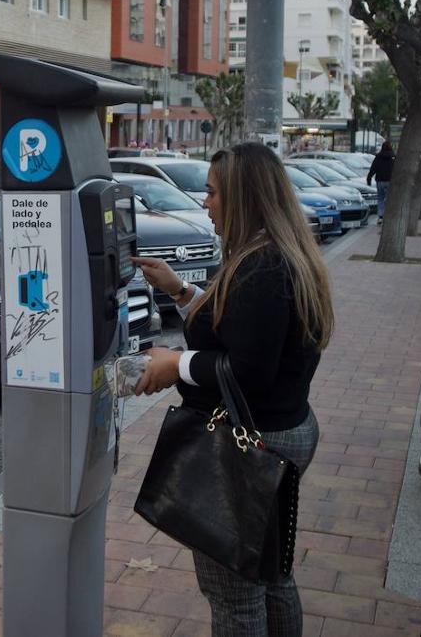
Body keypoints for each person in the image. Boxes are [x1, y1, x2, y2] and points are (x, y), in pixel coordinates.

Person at [131, 142, 334, 637]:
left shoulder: (262, 267)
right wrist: (181, 290)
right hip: (282, 428)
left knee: (236, 596)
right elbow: (241, 329)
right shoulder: (274, 255)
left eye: (213, 192)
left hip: (254, 441)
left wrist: (174, 364)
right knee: (271, 575)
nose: (206, 203)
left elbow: (247, 369)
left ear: (243, 198)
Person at [366, 141, 394, 224]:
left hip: (380, 181)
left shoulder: (378, 157)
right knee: (389, 199)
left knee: (380, 198)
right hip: (390, 181)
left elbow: (373, 168)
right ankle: (388, 215)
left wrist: (369, 178)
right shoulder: (394, 157)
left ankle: (381, 216)